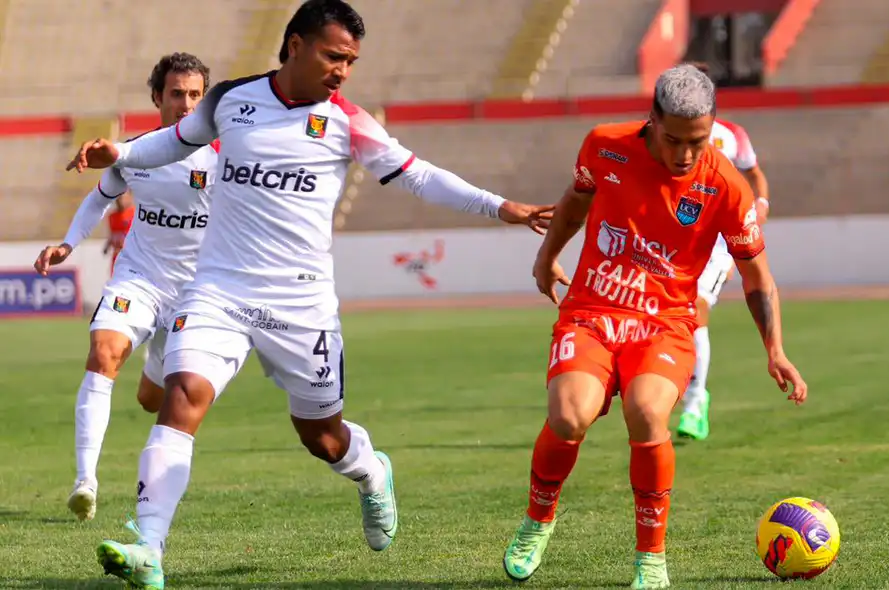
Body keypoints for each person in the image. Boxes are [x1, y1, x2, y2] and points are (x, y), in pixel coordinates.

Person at [65, 2, 553, 588]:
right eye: (333, 55)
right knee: (183, 394)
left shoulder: (348, 121)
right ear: (295, 45)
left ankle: (372, 472)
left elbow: (419, 174)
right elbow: (171, 143)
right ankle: (150, 545)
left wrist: (500, 206)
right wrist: (118, 154)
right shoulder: (230, 100)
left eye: (350, 60)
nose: (343, 70)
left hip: (302, 308)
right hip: (218, 290)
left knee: (321, 437)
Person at [501, 64, 807, 589]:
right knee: (570, 415)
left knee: (646, 412)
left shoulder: (725, 186)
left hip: (664, 324)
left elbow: (758, 277)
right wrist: (545, 255)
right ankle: (538, 520)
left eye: (699, 140)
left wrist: (774, 349)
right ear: (652, 120)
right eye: (674, 140)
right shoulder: (604, 145)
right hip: (593, 310)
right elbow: (577, 200)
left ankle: (651, 558)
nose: (686, 154)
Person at [35, 52, 216, 523]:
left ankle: (148, 489)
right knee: (103, 353)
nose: (186, 103)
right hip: (139, 279)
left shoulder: (224, 157)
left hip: (193, 295)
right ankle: (85, 482)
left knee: (154, 400)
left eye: (195, 94)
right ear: (158, 97)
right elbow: (99, 199)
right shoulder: (136, 154)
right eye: (176, 94)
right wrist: (67, 244)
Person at [676, 61, 774, 441]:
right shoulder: (660, 132)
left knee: (695, 308)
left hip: (717, 240)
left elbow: (753, 173)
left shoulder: (731, 135)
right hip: (668, 236)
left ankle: (695, 401)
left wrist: (761, 203)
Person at [105, 192, 135, 275]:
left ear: (130, 197)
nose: (120, 200)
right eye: (118, 198)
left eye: (122, 197)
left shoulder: (135, 214)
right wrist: (107, 246)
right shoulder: (112, 216)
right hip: (117, 255)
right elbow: (113, 234)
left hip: (131, 257)